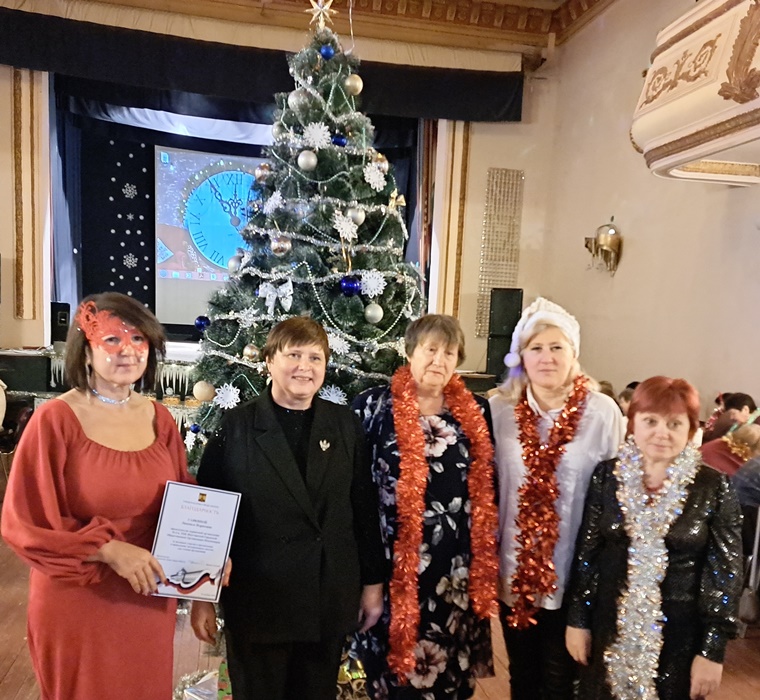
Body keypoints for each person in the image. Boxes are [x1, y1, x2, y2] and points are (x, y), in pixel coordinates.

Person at [1, 292, 192, 700]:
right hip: (78, 597)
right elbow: (25, 523)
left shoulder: (160, 420)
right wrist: (108, 550)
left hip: (146, 597)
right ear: (86, 351)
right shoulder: (55, 420)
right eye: (112, 339)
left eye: (139, 339)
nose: (128, 350)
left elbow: (182, 499)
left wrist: (206, 551)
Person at [191, 316, 385, 700]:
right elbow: (209, 513)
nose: (304, 367)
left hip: (325, 598)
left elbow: (363, 508)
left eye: (315, 357)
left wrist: (373, 585)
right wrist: (202, 596)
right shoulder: (237, 426)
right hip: (259, 601)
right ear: (269, 361)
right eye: (293, 355)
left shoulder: (344, 425)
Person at [565, 376, 743, 700]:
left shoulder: (713, 486)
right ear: (632, 423)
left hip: (680, 639)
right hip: (609, 628)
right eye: (650, 421)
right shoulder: (608, 475)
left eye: (675, 423)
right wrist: (578, 620)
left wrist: (712, 649)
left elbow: (724, 574)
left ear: (691, 429)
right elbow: (588, 553)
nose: (662, 433)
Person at [351, 314, 499, 699]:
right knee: (391, 680)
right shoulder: (372, 407)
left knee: (449, 680)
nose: (439, 360)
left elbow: (489, 486)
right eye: (430, 349)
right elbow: (354, 492)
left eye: (449, 353)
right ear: (410, 352)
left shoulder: (477, 411)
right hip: (390, 568)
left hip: (454, 573)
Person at [489, 297, 625, 699]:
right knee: (522, 675)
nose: (546, 357)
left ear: (573, 354)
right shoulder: (499, 410)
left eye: (556, 347)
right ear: (521, 357)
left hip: (574, 570)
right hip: (514, 568)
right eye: (536, 348)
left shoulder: (602, 412)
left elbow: (616, 494)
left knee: (564, 680)